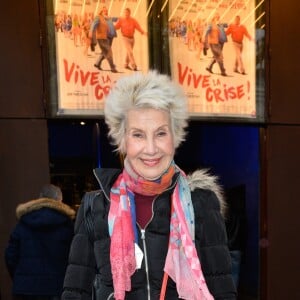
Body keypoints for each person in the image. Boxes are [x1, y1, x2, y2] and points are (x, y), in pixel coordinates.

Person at [62, 71, 237, 299]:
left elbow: (221, 288)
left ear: (175, 137)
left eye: (161, 133)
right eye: (138, 135)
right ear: (122, 140)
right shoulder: (95, 205)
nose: (151, 148)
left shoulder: (201, 203)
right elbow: (75, 291)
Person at [5, 184, 76, 300]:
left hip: (25, 289)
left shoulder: (23, 222)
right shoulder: (66, 224)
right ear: (59, 200)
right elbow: (73, 258)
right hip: (55, 288)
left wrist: (20, 276)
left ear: (40, 198)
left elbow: (10, 255)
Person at [90, 8, 117, 73]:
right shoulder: (98, 17)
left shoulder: (106, 18)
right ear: (101, 12)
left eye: (107, 11)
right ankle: (112, 67)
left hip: (107, 37)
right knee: (108, 52)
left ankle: (97, 63)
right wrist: (91, 31)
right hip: (101, 38)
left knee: (105, 52)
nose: (106, 12)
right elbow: (94, 24)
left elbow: (113, 20)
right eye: (104, 11)